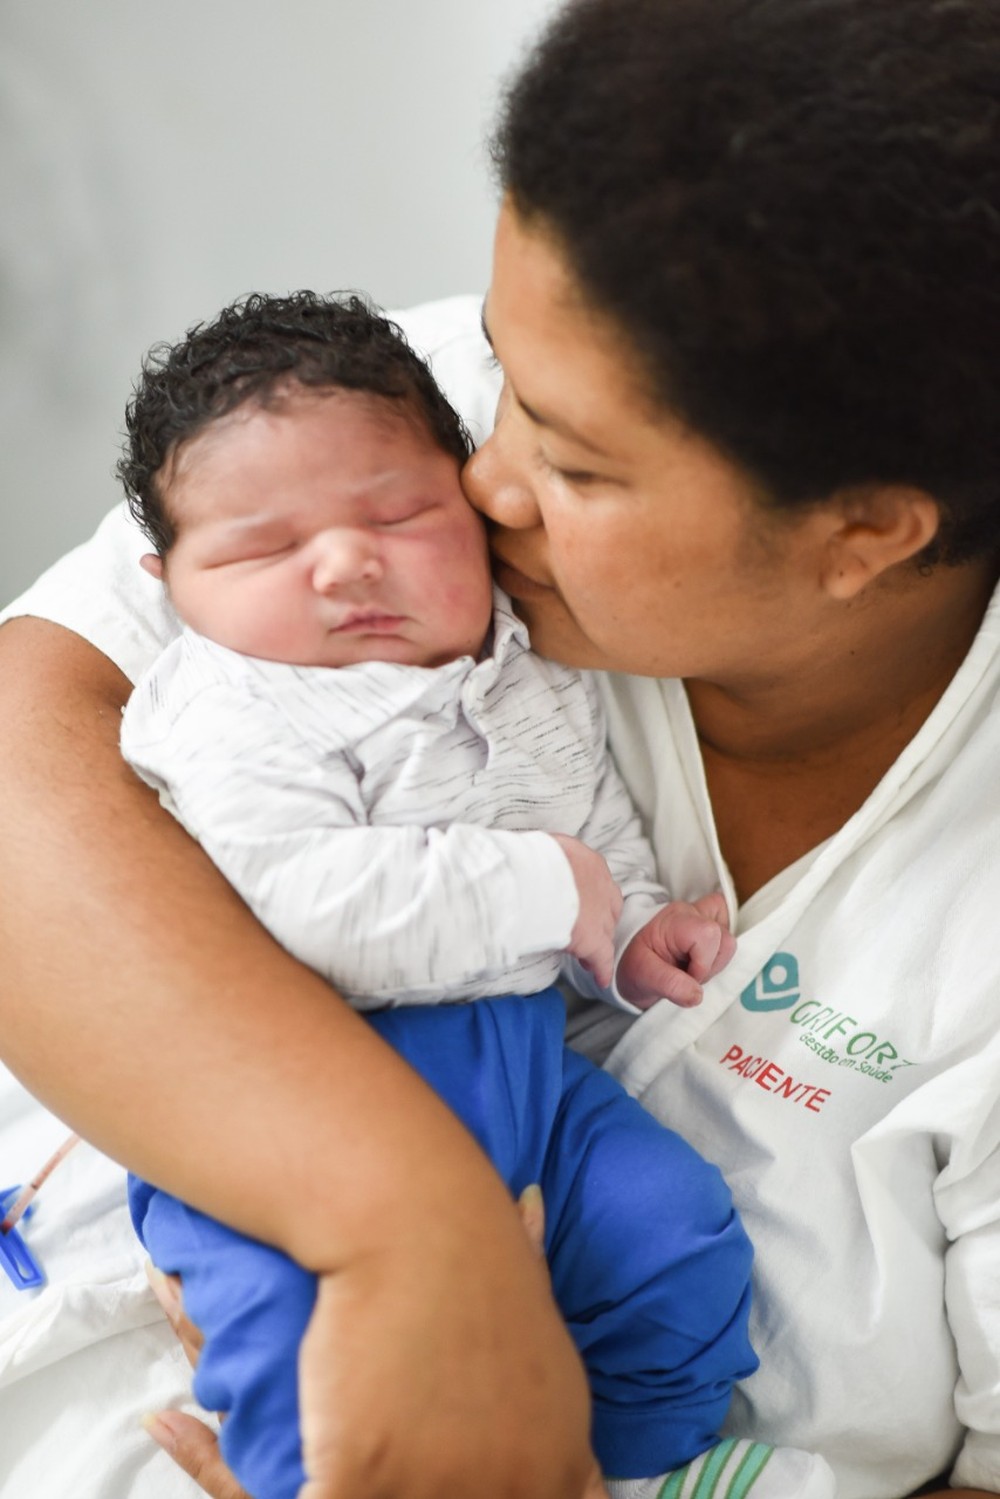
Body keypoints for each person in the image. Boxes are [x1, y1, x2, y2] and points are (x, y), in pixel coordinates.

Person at [0, 0, 998, 1496]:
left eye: (574, 463)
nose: (481, 477)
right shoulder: (393, 426)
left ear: (863, 533)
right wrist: (410, 1220)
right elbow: (27, 747)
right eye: (498, 375)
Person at [115, 287, 810, 1499]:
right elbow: (305, 906)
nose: (347, 562)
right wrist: (547, 883)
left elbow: (593, 819)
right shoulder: (229, 701)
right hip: (290, 1096)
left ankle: (640, 1457)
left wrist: (630, 927)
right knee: (288, 1325)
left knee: (671, 1225)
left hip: (524, 1073)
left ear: (471, 504)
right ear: (169, 583)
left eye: (401, 514)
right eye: (265, 550)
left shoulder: (528, 661)